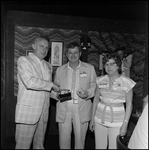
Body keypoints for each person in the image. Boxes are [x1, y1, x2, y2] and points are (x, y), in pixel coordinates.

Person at [15, 36, 60, 149]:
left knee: (39, 146)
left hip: (44, 113)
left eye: (47, 47)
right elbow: (30, 82)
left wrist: (57, 95)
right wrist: (51, 85)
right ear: (33, 46)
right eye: (41, 46)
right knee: (22, 146)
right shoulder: (24, 60)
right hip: (28, 113)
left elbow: (45, 90)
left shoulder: (48, 66)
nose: (44, 50)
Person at [54, 42, 97, 149]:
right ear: (66, 54)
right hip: (64, 107)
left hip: (82, 108)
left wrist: (87, 93)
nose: (73, 55)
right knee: (63, 141)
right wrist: (57, 94)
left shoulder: (89, 68)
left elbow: (94, 86)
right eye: (70, 53)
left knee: (80, 141)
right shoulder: (60, 70)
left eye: (76, 53)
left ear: (80, 53)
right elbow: (55, 88)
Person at [89, 53, 136, 149]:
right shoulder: (100, 80)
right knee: (99, 147)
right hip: (99, 119)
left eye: (112, 64)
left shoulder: (127, 82)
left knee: (114, 147)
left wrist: (125, 125)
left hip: (117, 122)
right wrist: (92, 120)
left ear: (118, 65)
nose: (108, 66)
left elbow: (129, 104)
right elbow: (95, 100)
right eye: (106, 64)